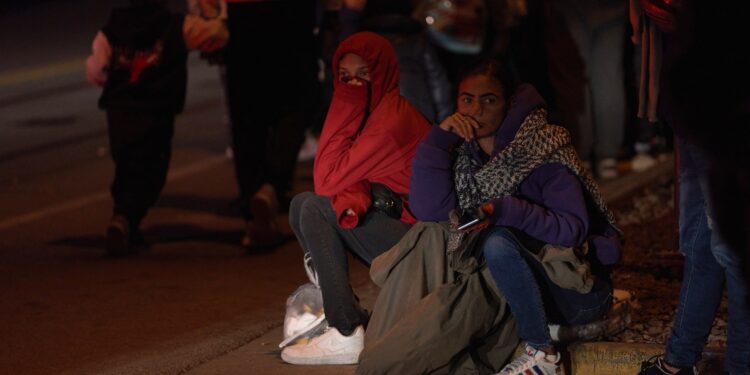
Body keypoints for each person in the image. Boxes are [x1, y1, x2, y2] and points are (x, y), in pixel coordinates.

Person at [409, 59, 621, 374]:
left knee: (497, 241)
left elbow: (573, 230)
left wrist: (507, 210)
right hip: (521, 292)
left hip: (576, 292)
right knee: (434, 237)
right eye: (466, 99)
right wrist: (439, 138)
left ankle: (545, 354)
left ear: (509, 105)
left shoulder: (542, 146)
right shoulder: (464, 155)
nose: (475, 110)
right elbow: (430, 212)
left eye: (488, 100)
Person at [280, 31, 431, 365]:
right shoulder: (374, 110)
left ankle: (345, 330)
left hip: (425, 247)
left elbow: (326, 179)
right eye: (344, 78)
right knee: (301, 205)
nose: (353, 87)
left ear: (383, 74)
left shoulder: (390, 121)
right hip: (401, 228)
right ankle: (346, 313)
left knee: (317, 209)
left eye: (364, 76)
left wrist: (346, 102)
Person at [633, 0, 750, 374]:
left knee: (732, 247)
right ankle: (679, 359)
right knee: (703, 239)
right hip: (697, 107)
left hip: (722, 102)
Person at [85, 0, 228, 255]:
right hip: (156, 108)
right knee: (153, 169)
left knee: (126, 164)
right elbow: (214, 35)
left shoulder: (113, 26)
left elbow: (96, 65)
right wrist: (220, 17)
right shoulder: (173, 25)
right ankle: (127, 218)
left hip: (120, 109)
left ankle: (124, 217)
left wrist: (105, 73)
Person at [223, 0, 319, 249]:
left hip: (242, 17)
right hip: (292, 18)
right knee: (294, 109)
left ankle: (253, 214)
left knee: (247, 119)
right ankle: (271, 186)